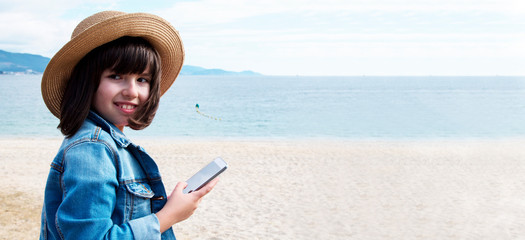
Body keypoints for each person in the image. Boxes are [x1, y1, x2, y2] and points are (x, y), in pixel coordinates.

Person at [39, 11, 218, 240]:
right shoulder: (92, 147)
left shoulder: (108, 143)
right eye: (115, 76)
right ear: (87, 82)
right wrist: (169, 216)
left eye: (142, 79)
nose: (132, 91)